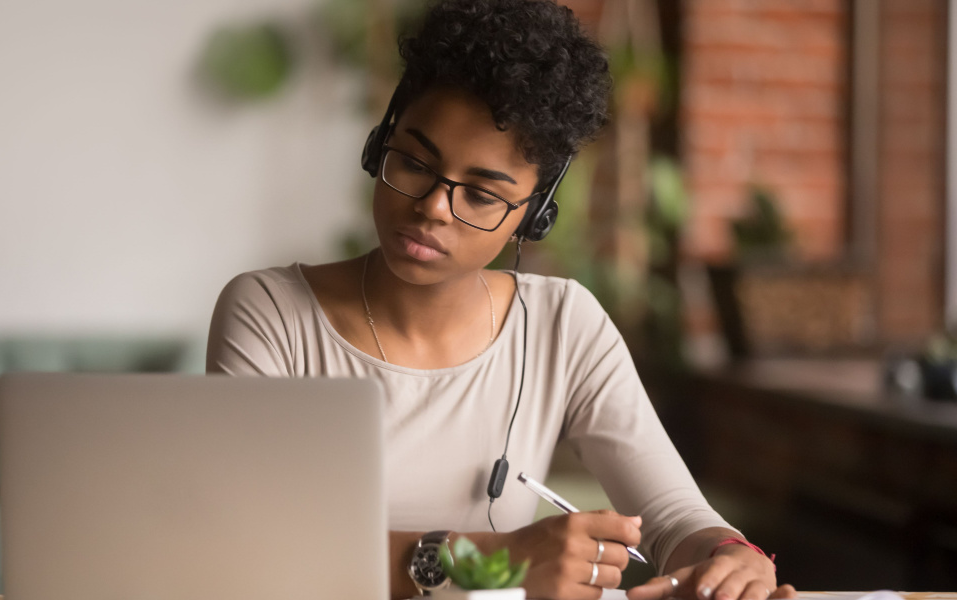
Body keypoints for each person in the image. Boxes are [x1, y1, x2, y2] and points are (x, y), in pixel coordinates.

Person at [207, 1, 797, 599]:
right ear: (378, 145)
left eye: (483, 195)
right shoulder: (271, 312)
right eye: (414, 162)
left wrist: (731, 557)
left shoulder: (564, 325)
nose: (433, 208)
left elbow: (674, 517)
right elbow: (250, 543)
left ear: (533, 217)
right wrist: (490, 556)